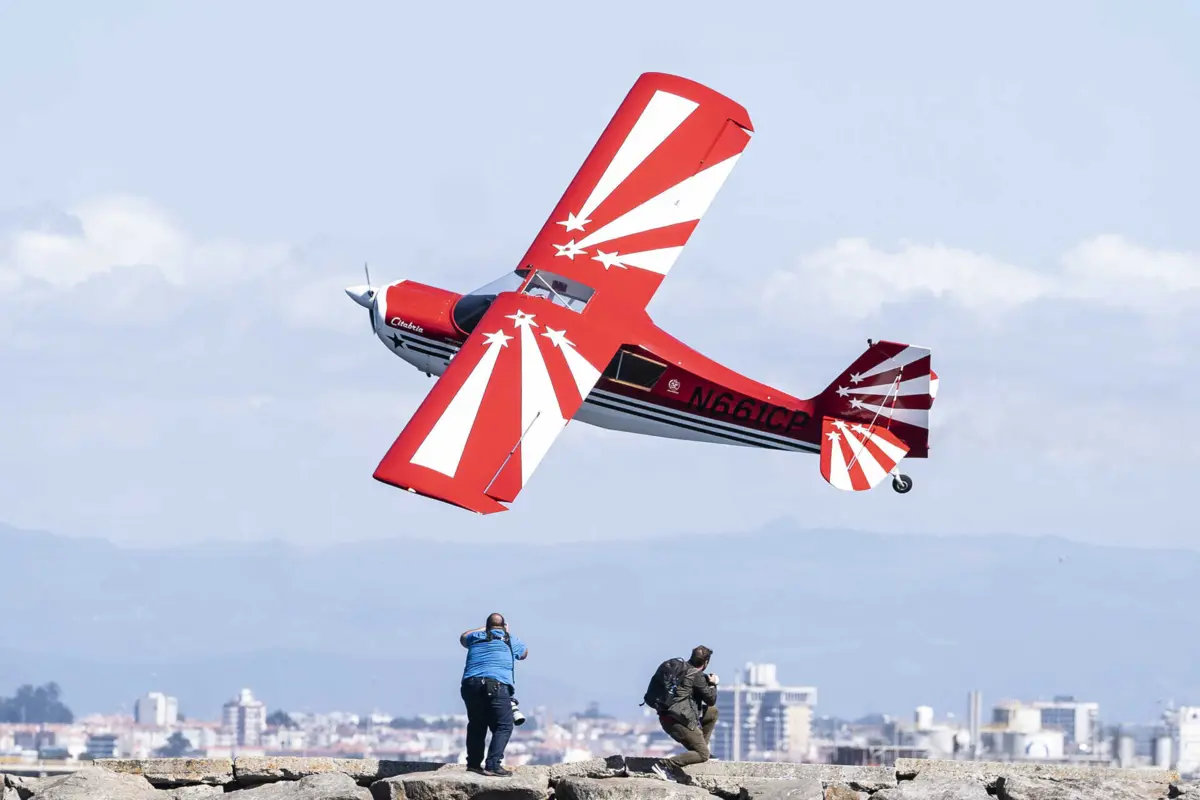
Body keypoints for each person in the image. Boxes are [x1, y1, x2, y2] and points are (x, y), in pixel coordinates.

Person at [459, 613, 528, 776]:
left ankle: (474, 764)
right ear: (504, 626)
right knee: (503, 725)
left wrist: (485, 629)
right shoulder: (510, 639)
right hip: (496, 685)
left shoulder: (475, 637)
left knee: (477, 724)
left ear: (487, 625)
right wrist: (506, 632)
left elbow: (463, 637)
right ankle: (493, 764)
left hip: (470, 685)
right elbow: (524, 654)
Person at [651, 645, 719, 781]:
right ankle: (665, 765)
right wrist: (713, 684)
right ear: (706, 662)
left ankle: (700, 748)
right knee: (703, 755)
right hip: (677, 721)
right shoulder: (697, 676)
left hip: (669, 716)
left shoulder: (679, 669)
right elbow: (711, 699)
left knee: (712, 713)